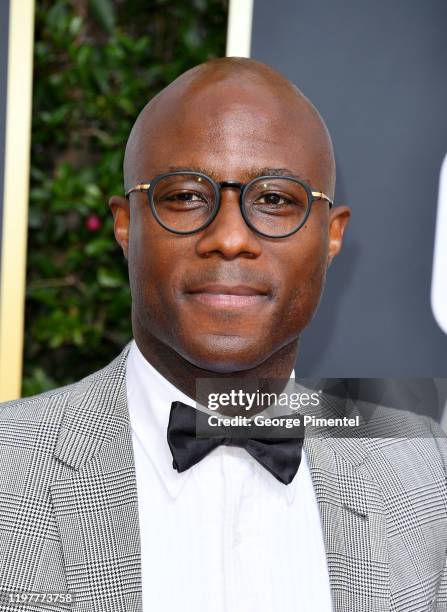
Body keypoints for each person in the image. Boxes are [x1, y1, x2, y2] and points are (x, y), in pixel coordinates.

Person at [0, 57, 446, 612]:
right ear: (125, 223)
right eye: (186, 196)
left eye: (276, 200)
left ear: (331, 237)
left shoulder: (423, 469)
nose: (230, 238)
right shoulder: (8, 462)